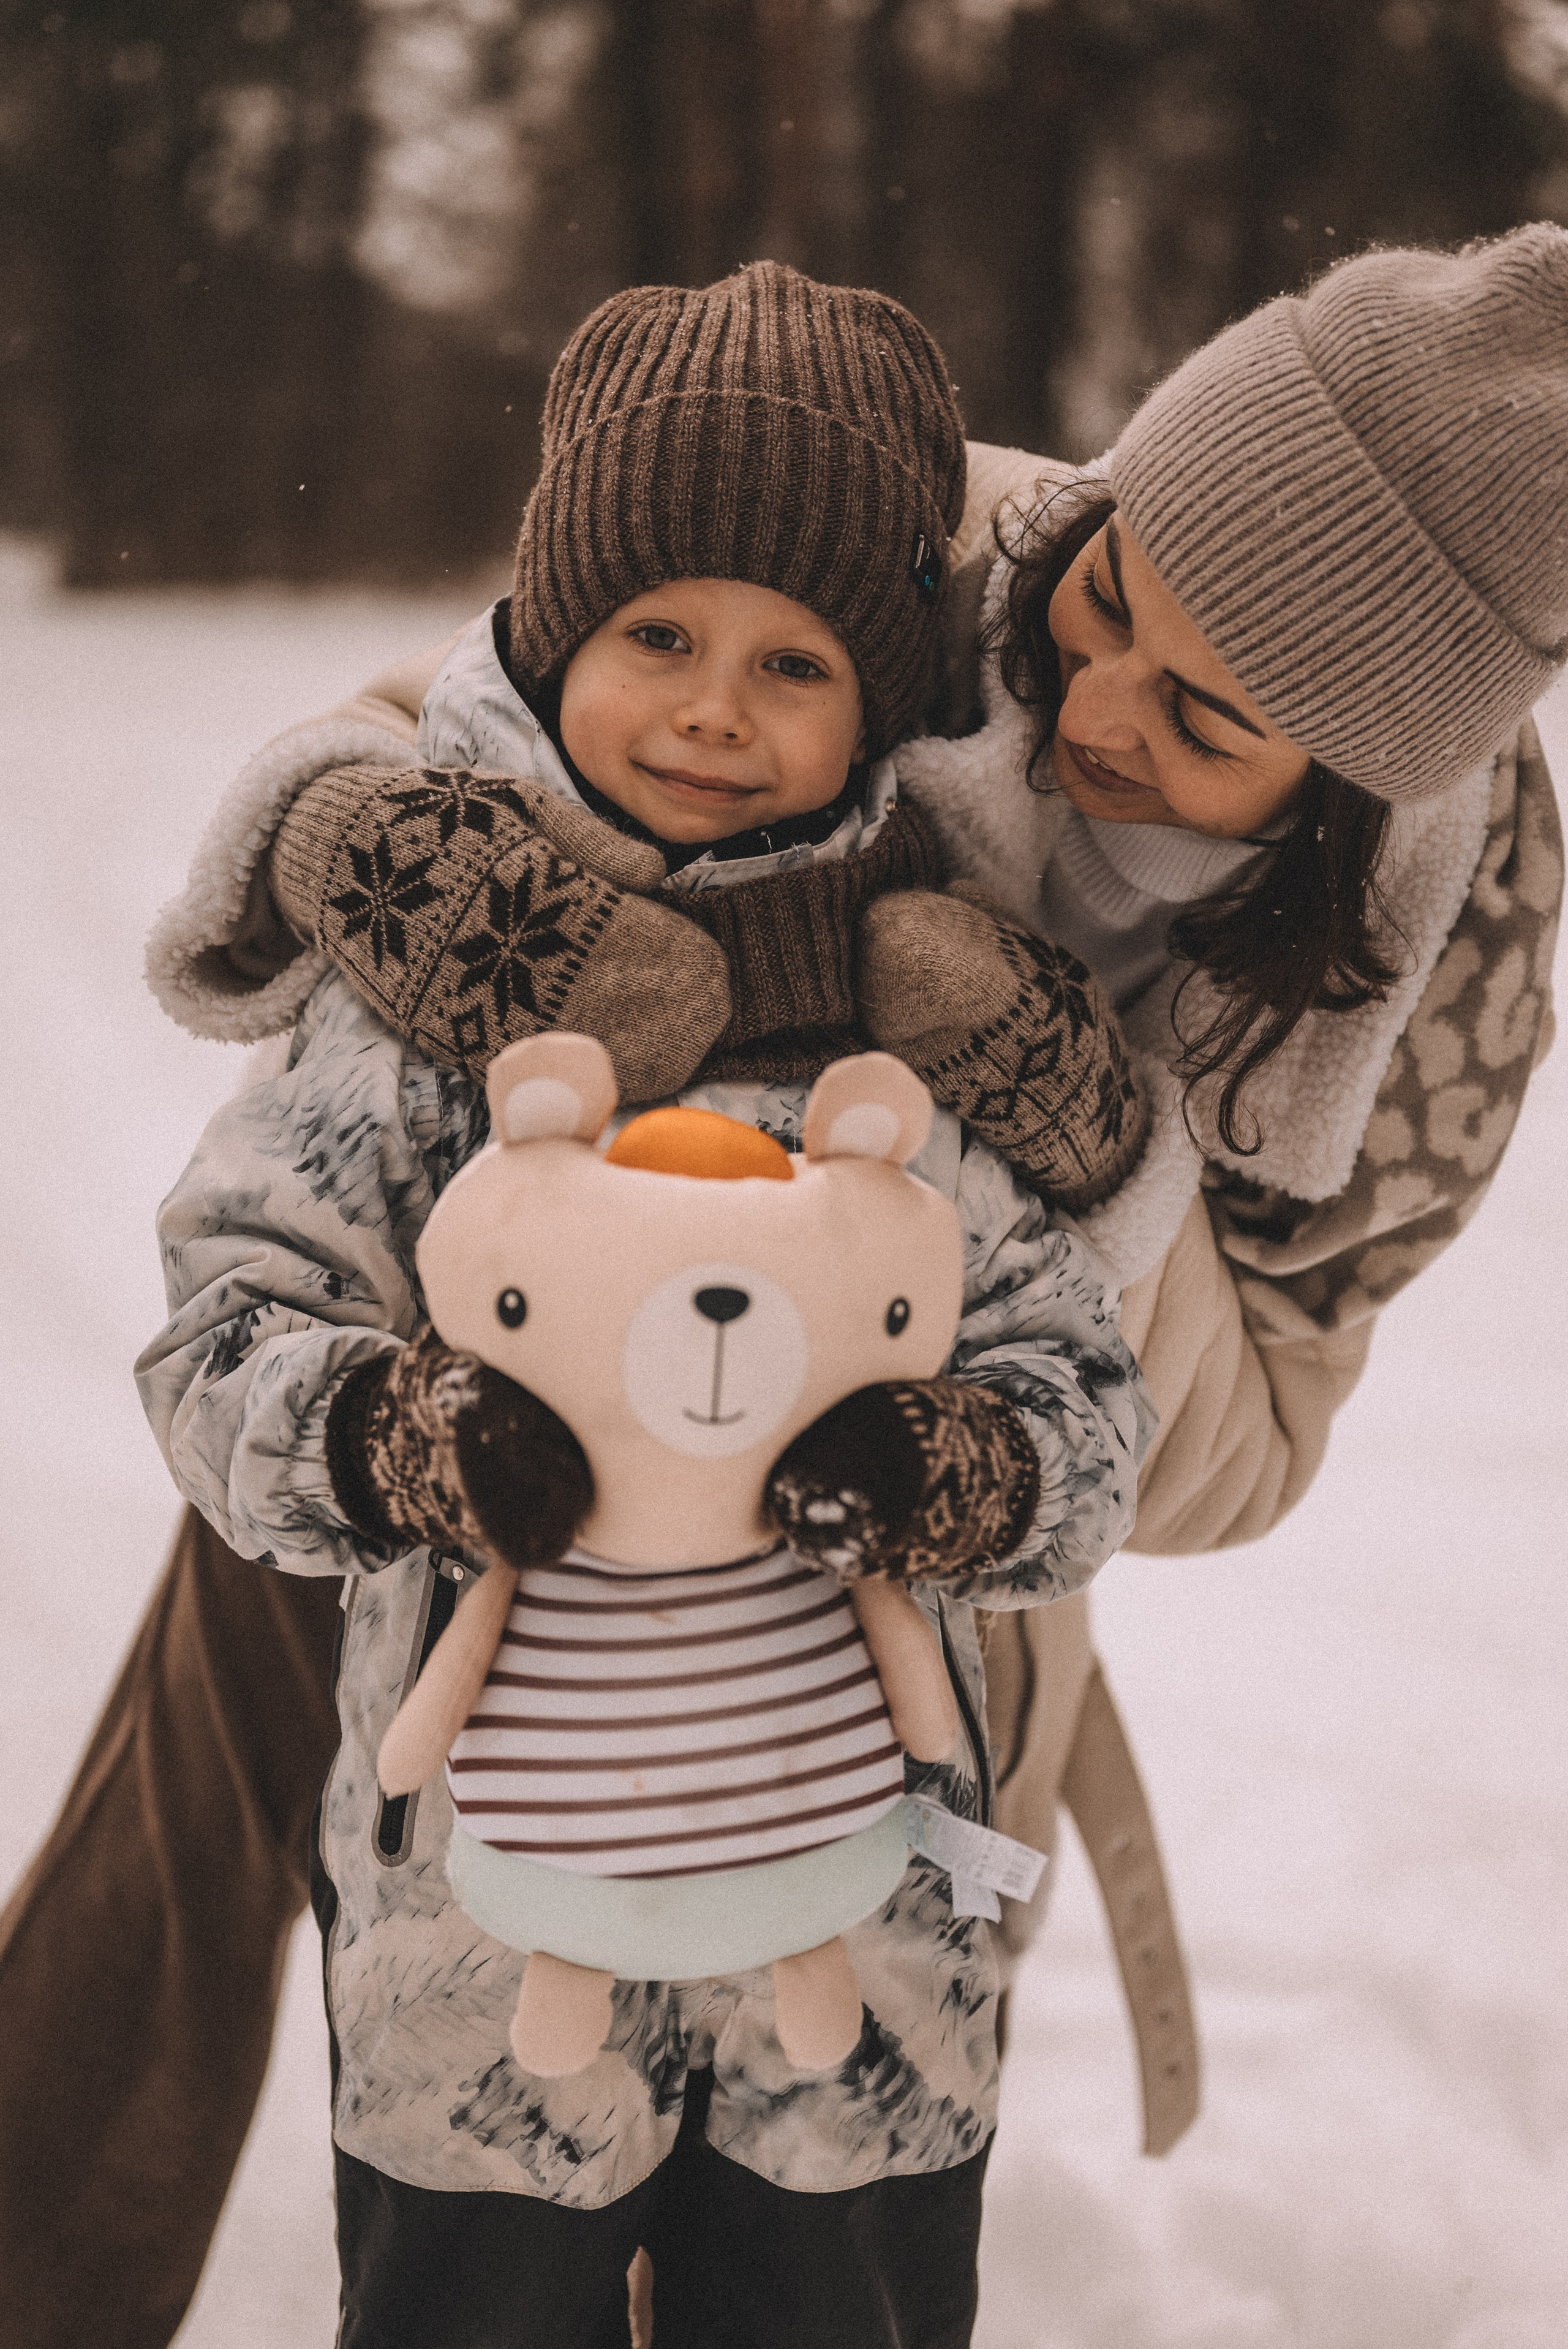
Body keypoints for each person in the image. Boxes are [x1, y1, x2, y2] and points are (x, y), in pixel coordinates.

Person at [3, 227, 1562, 2346]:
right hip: (516, 1322)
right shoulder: (971, 523)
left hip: (906, 1458)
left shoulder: (1433, 987)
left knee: (816, 2044)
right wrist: (365, 832)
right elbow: (561, 657)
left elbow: (1246, 1449)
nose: (1091, 707)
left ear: (1345, 797)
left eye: (1203, 719)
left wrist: (1088, 1152)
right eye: (1106, 609)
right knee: (243, 1682)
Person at [132, 262, 1154, 2349]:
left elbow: (1082, 1396)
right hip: (477, 1952)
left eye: (794, 660)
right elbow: (220, 1330)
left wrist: (958, 1462)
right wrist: (392, 1432)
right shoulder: (434, 991)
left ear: (879, 700)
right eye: (660, 634)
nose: (714, 705)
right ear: (548, 629)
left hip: (860, 1973)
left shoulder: (918, 1003)